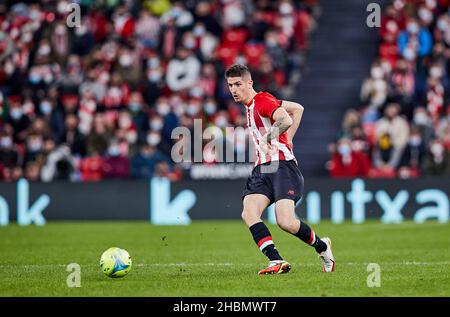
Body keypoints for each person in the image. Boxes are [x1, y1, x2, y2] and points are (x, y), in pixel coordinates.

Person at [225, 64, 335, 275]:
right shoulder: (251, 105)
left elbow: (285, 119)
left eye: (238, 84)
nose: (234, 89)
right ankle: (276, 260)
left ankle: (322, 247)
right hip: (262, 169)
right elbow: (298, 108)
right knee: (249, 213)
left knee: (285, 221)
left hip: (283, 167)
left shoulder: (263, 100)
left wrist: (270, 137)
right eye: (230, 85)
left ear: (250, 83)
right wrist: (289, 139)